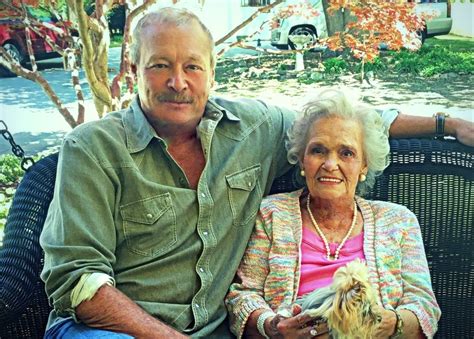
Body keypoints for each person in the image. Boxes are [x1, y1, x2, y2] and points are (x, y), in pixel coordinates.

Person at [40, 7, 468, 338]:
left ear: (211, 73)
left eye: (192, 66)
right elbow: (78, 281)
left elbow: (341, 123)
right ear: (134, 70)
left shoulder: (253, 129)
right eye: (159, 65)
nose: (177, 81)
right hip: (108, 330)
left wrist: (447, 123)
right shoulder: (93, 148)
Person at [225, 90, 441, 339]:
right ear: (302, 160)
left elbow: (424, 307)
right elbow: (242, 296)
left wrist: (391, 324)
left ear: (364, 165)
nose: (330, 164)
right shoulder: (272, 214)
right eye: (318, 150)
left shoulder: (398, 221)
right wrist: (273, 327)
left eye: (346, 153)